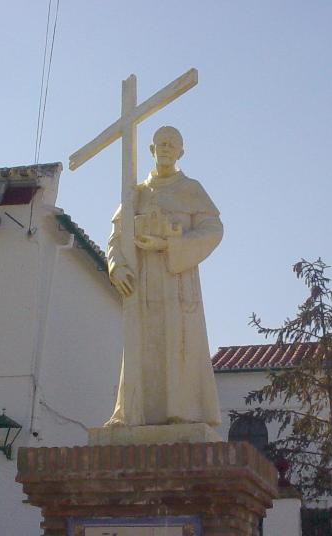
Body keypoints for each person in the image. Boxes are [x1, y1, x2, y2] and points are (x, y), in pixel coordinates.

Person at [105, 126, 222, 428]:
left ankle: (182, 412)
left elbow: (213, 229)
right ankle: (132, 413)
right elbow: (116, 237)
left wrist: (171, 245)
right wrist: (117, 266)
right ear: (151, 150)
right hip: (142, 286)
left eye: (173, 144)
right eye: (161, 144)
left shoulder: (191, 190)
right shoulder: (137, 194)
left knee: (179, 345)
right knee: (142, 346)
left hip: (178, 282)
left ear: (181, 151)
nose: (166, 148)